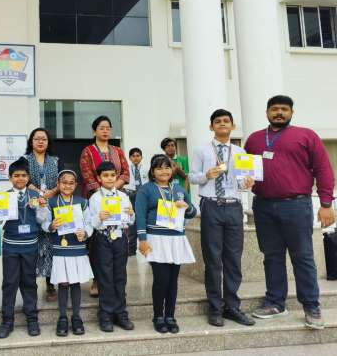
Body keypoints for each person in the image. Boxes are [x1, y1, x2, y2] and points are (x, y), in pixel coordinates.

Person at [244, 95, 335, 329]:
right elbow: (244, 171)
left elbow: (323, 169)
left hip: (296, 205)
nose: (279, 113)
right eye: (274, 109)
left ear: (292, 113)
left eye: (284, 109)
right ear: (267, 113)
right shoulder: (254, 139)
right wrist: (241, 181)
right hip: (263, 206)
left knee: (302, 257)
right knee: (271, 256)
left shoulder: (306, 136)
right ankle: (275, 303)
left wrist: (326, 204)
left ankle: (312, 306)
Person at [188, 109, 255, 327]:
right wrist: (206, 175)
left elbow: (243, 181)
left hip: (234, 206)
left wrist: (248, 183)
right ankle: (215, 307)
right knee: (213, 259)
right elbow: (191, 177)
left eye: (226, 121)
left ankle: (232, 307)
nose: (222, 124)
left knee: (233, 259)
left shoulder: (240, 152)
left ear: (233, 126)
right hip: (211, 206)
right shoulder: (201, 150)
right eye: (218, 121)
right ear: (211, 127)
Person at [136, 154, 197, 334]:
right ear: (152, 171)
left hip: (176, 239)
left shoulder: (178, 189)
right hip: (156, 239)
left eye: (167, 167)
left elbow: (192, 212)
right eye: (159, 168)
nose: (164, 171)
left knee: (172, 281)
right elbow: (140, 215)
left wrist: (186, 207)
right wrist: (142, 239)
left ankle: (170, 316)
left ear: (172, 170)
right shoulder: (146, 190)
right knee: (161, 280)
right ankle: (158, 316)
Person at [0, 159, 47, 339]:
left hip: (30, 245)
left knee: (29, 282)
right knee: (9, 282)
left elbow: (42, 220)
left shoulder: (35, 196)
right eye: (16, 175)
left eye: (23, 175)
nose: (20, 178)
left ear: (28, 177)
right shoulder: (3, 196)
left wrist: (42, 207)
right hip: (11, 245)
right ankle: (7, 321)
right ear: (10, 177)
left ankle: (32, 319)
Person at [79, 115, 130, 297]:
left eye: (108, 128)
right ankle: (97, 279)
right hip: (95, 198)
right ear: (94, 131)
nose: (105, 131)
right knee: (96, 241)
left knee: (118, 239)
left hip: (117, 198)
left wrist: (112, 189)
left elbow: (125, 173)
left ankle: (117, 282)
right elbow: (87, 175)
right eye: (101, 128)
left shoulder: (118, 151)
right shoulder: (87, 151)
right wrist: (103, 194)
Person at [42, 169, 93, 337]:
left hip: (77, 248)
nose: (67, 186)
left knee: (75, 283)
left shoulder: (82, 202)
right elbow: (43, 222)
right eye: (64, 182)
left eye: (71, 183)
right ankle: (62, 317)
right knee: (63, 283)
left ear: (76, 185)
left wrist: (85, 233)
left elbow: (89, 223)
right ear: (58, 184)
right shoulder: (51, 202)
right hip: (60, 249)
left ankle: (76, 317)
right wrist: (51, 226)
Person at [89, 161, 135, 332]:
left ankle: (121, 313)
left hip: (120, 238)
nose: (109, 178)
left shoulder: (123, 196)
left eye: (112, 175)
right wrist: (99, 217)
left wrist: (131, 214)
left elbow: (130, 220)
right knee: (105, 276)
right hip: (103, 239)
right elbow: (91, 223)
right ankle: (106, 314)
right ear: (99, 178)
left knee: (120, 276)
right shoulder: (95, 198)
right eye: (106, 175)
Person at [23, 127, 64, 302]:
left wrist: (51, 193)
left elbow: (62, 181)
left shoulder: (56, 160)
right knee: (33, 244)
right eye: (37, 139)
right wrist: (39, 192)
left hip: (52, 204)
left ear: (48, 142)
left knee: (50, 244)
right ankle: (30, 284)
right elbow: (22, 179)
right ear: (31, 142)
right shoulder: (24, 160)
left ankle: (50, 283)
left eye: (44, 139)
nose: (40, 141)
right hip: (31, 205)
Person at [125, 147, 148, 256]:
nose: (135, 158)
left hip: (143, 196)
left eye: (138, 155)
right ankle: (131, 249)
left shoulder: (146, 169)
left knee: (144, 219)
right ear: (130, 158)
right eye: (133, 156)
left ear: (141, 157)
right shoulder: (126, 169)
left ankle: (147, 247)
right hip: (131, 195)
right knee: (132, 222)